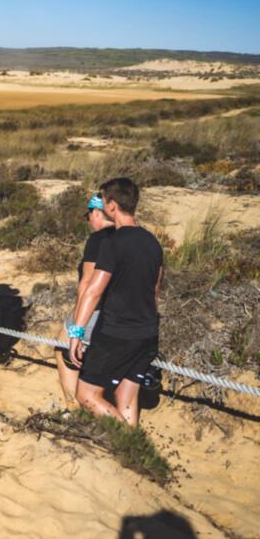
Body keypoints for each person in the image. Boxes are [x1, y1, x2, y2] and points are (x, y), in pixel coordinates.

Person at [69, 178, 163, 427]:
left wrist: (76, 332)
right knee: (127, 399)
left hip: (116, 333)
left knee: (86, 395)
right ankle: (133, 459)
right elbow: (155, 291)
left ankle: (131, 446)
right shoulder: (152, 242)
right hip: (147, 332)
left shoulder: (113, 242)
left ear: (111, 205)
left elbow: (93, 291)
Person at [55, 195, 115, 409]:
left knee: (64, 348)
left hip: (96, 311)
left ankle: (73, 408)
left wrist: (77, 326)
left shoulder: (98, 240)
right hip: (124, 315)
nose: (89, 221)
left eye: (89, 215)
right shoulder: (130, 236)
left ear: (96, 212)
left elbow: (87, 285)